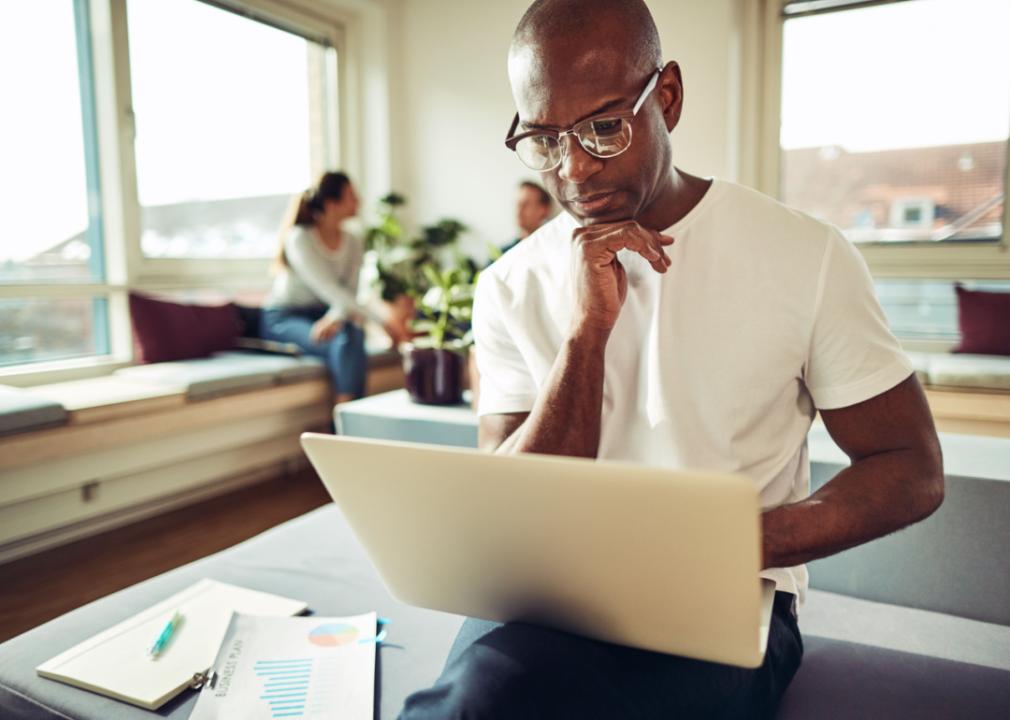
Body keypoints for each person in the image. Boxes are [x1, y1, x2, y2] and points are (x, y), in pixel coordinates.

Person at [399, 0, 944, 718]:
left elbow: (911, 467)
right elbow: (511, 503)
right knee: (481, 700)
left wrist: (726, 544)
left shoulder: (804, 256)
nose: (573, 171)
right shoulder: (508, 286)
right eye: (545, 139)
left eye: (602, 128)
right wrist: (586, 334)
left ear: (670, 98)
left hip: (727, 595)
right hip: (550, 596)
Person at [262, 172, 402, 404]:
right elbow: (328, 288)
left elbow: (348, 292)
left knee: (351, 336)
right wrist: (384, 322)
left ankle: (344, 419)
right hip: (284, 318)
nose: (359, 202)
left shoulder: (354, 241)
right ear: (331, 203)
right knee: (344, 340)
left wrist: (335, 316)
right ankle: (345, 425)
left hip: (324, 313)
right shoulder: (299, 239)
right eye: (351, 196)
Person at [501, 180, 553, 254]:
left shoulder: (555, 245)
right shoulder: (502, 253)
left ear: (544, 209)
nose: (519, 210)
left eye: (526, 204)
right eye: (517, 204)